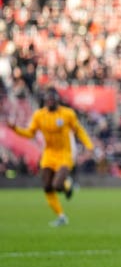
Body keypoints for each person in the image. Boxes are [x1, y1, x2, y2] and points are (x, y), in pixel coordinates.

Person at [8, 86, 94, 226]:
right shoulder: (39, 115)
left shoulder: (67, 114)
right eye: (48, 99)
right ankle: (61, 216)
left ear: (57, 100)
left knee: (57, 184)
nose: (50, 101)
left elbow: (79, 131)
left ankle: (67, 186)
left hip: (65, 154)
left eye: (52, 99)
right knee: (47, 186)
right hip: (48, 154)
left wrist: (89, 146)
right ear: (45, 101)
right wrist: (15, 129)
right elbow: (30, 133)